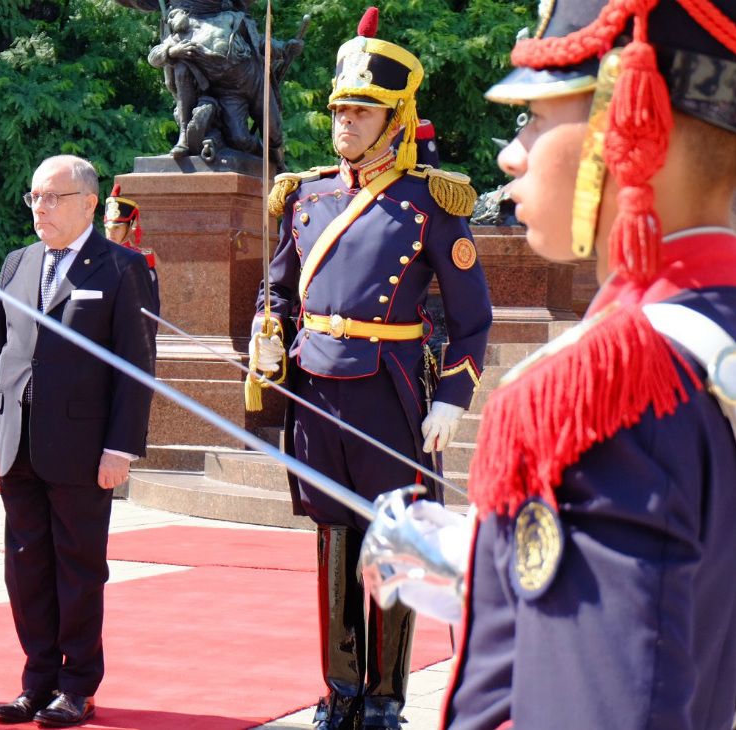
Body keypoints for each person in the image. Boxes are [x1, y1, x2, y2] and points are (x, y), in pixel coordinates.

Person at [356, 0, 736, 728]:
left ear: (628, 120)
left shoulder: (610, 391)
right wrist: (502, 566)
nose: (511, 152)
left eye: (533, 117)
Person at [247, 8, 493, 729]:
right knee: (331, 539)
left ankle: (384, 698)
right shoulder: (305, 194)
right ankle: (339, 692)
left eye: (361, 111)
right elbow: (278, 286)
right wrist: (267, 330)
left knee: (393, 536)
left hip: (390, 387)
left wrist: (452, 397)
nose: (344, 123)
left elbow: (473, 319)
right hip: (317, 387)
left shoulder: (432, 202)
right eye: (339, 110)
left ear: (395, 118)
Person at [0, 155, 158, 728]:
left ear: (87, 202)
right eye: (34, 197)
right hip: (17, 442)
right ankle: (38, 681)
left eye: (53, 197)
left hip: (83, 448)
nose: (41, 208)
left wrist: (121, 448)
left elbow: (136, 365)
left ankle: (78, 684)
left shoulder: (122, 268)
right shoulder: (16, 263)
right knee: (25, 568)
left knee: (78, 568)